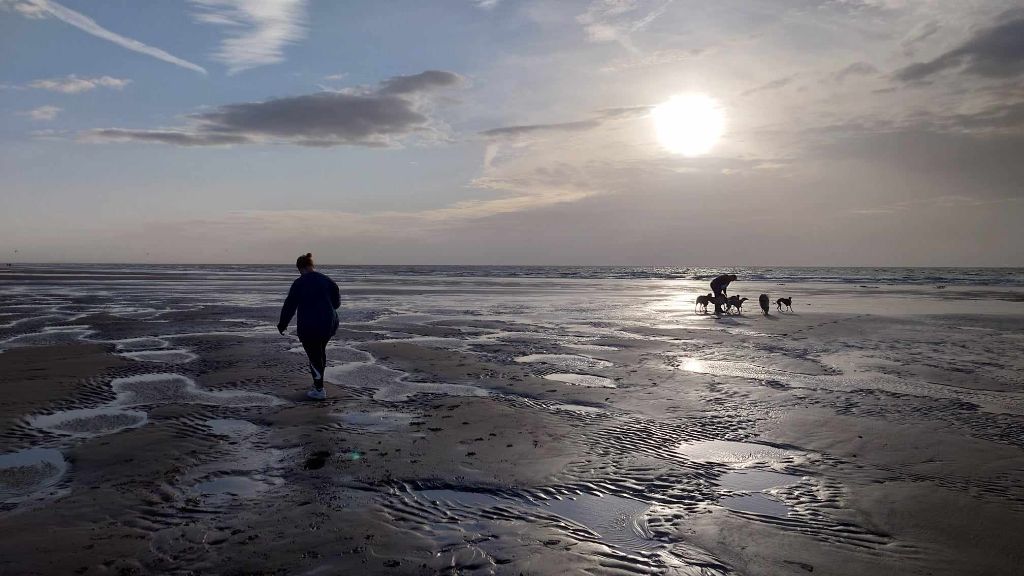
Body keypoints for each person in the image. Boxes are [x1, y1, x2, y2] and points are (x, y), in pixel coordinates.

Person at [278, 253, 340, 400]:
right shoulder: (327, 281)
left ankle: (319, 389)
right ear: (312, 266)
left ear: (301, 268)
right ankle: (318, 384)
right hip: (328, 324)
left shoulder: (299, 283)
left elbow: (290, 306)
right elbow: (336, 304)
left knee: (314, 355)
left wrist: (283, 324)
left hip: (309, 325)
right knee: (320, 352)